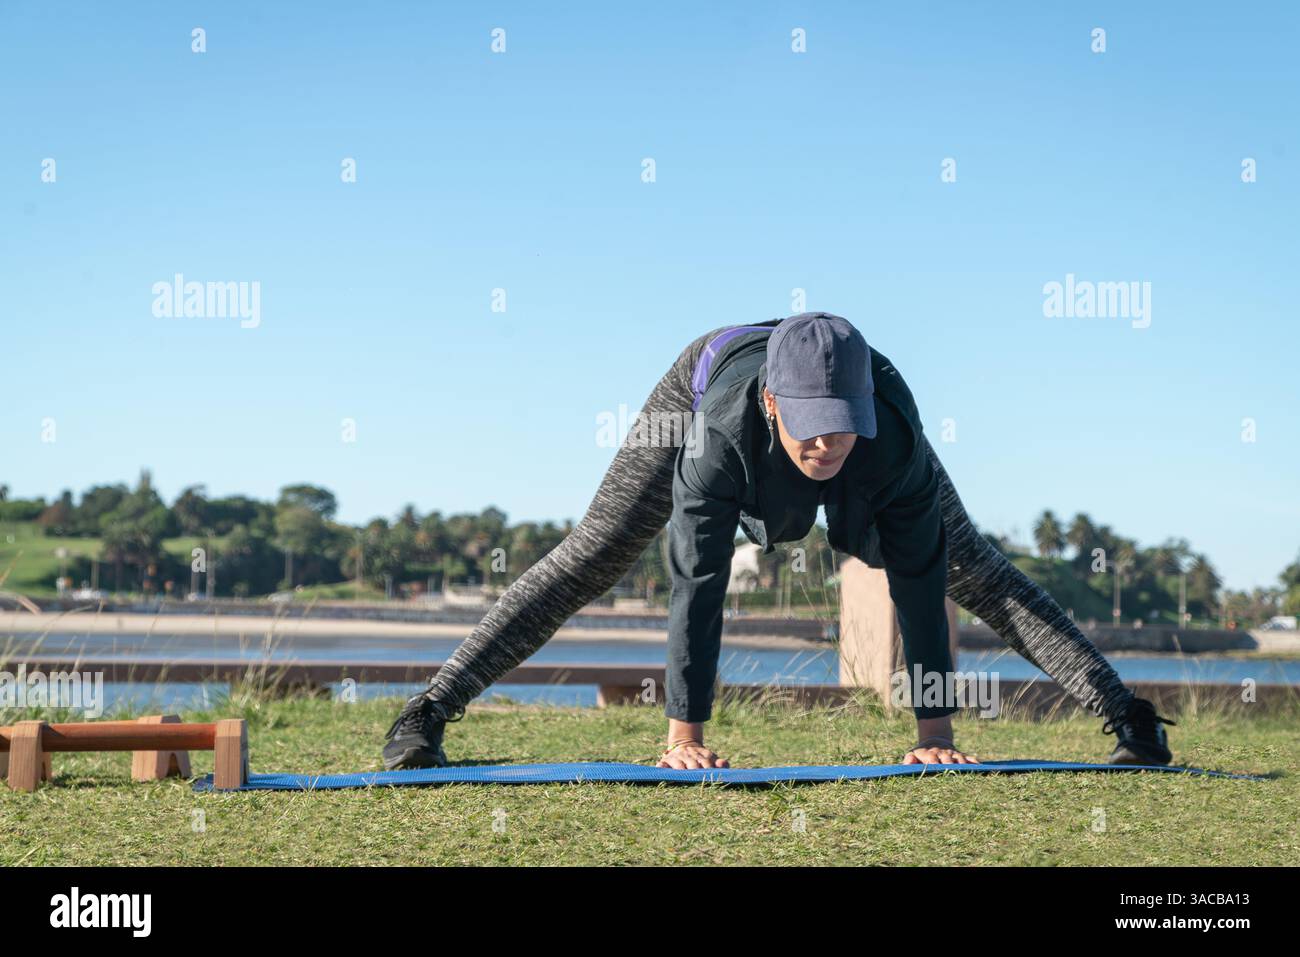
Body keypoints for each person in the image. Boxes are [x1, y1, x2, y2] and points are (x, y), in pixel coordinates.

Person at [383, 313, 1176, 770]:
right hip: (702, 377)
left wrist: (934, 732)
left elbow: (921, 575)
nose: (828, 445)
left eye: (843, 430)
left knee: (978, 568)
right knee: (595, 552)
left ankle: (1129, 716)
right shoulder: (719, 435)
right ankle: (425, 713)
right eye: (812, 429)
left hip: (863, 411)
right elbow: (699, 579)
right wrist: (684, 737)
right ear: (772, 403)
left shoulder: (891, 437)